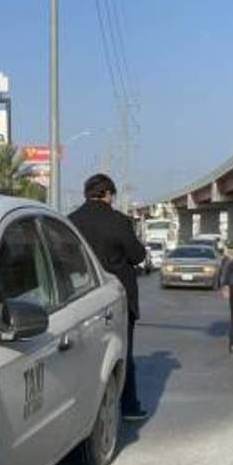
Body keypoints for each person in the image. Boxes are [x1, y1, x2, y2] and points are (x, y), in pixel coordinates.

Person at [69, 173, 149, 420]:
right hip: (117, 298)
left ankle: (81, 410)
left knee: (82, 356)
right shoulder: (119, 221)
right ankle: (129, 406)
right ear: (108, 194)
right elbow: (137, 256)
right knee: (122, 350)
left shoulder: (70, 221)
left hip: (79, 297)